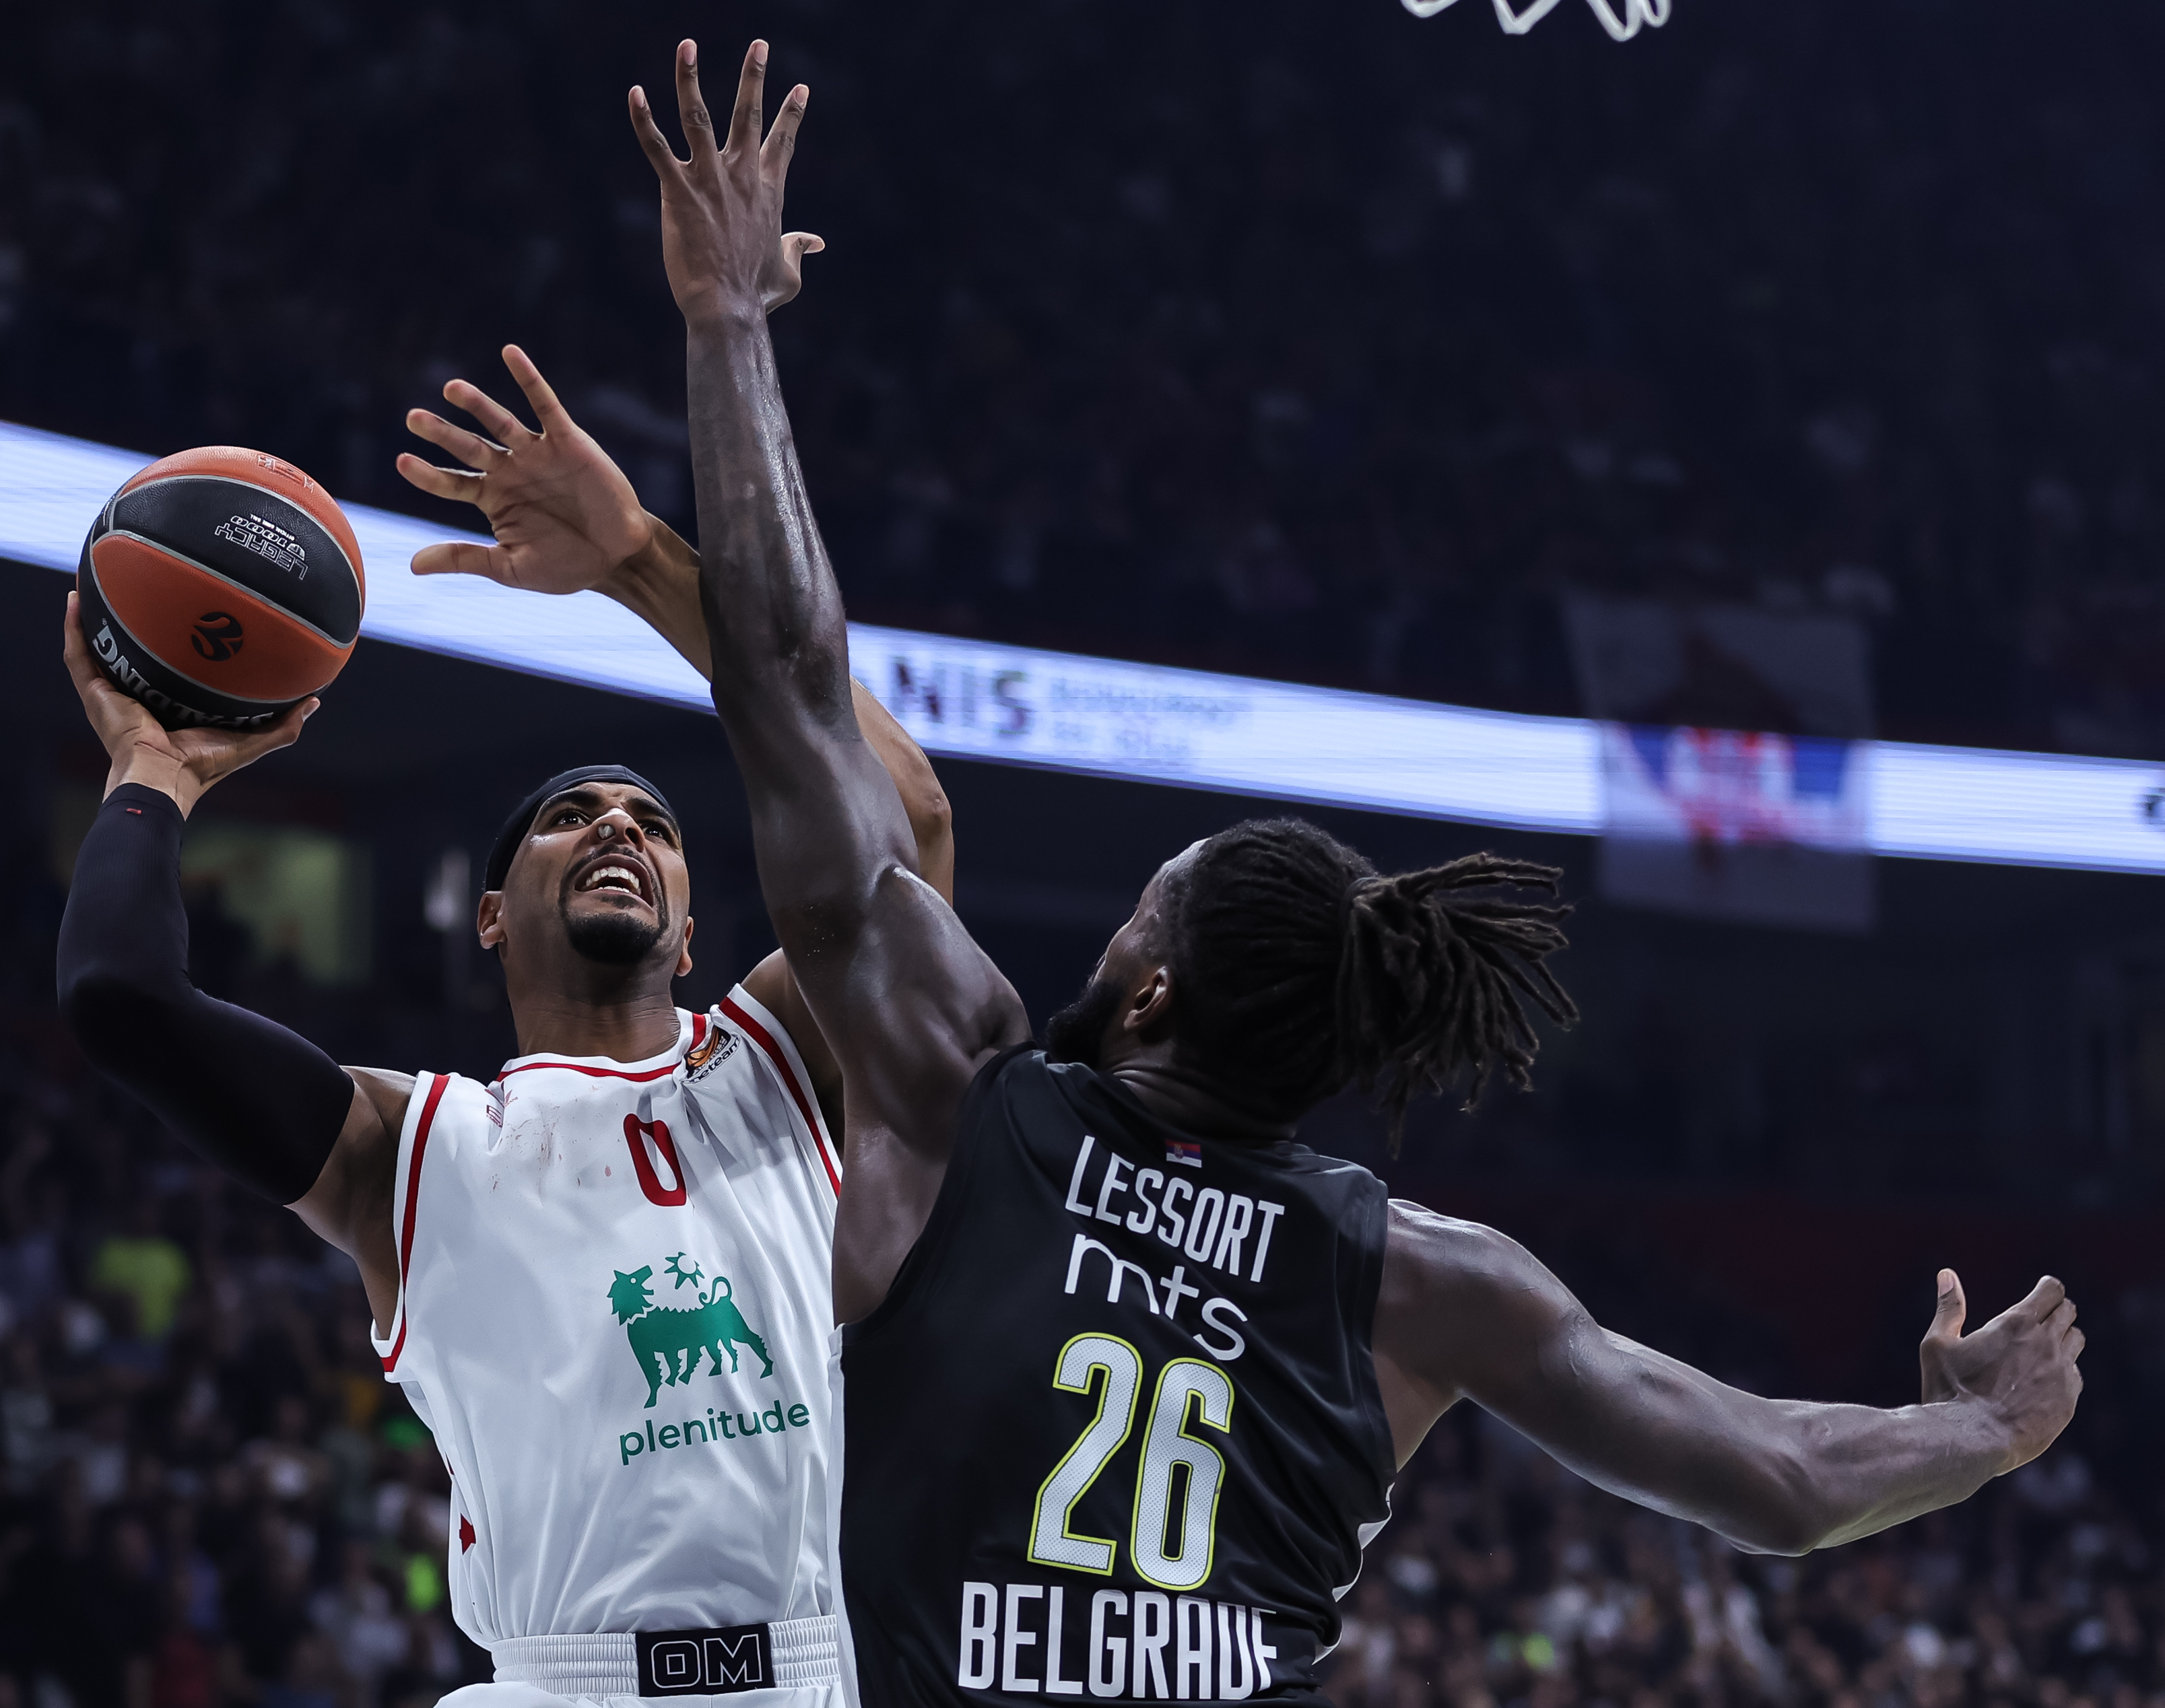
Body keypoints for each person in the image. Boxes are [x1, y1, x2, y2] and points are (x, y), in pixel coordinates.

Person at [626, 37, 2090, 1708]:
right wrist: (1976, 1429)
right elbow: (1774, 1479)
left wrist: (728, 330)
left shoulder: (968, 1095)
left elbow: (791, 683)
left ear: (1154, 981)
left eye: (1134, 909)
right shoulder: (1423, 1277)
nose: (1108, 934)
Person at [55, 182, 946, 1699]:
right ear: (489, 916)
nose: (615, 827)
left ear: (685, 917)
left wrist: (638, 562)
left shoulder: (781, 1066)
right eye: (568, 816)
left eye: (651, 821)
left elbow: (905, 826)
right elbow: (123, 998)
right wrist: (158, 771)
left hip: (813, 1676)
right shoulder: (411, 1150)